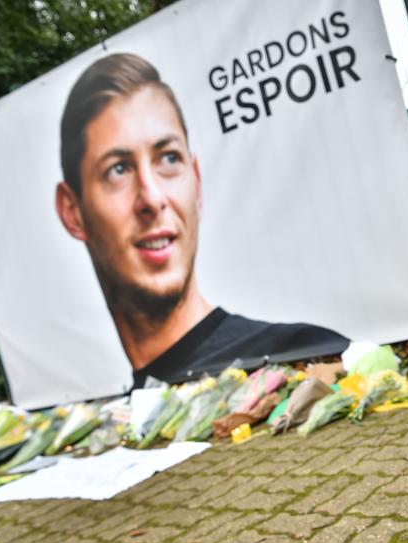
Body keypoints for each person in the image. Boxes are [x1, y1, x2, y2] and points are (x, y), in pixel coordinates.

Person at [55, 53, 348, 387]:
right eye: (118, 169)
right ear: (72, 212)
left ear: (195, 182)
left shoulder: (302, 354)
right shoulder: (125, 413)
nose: (151, 199)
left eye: (168, 159)